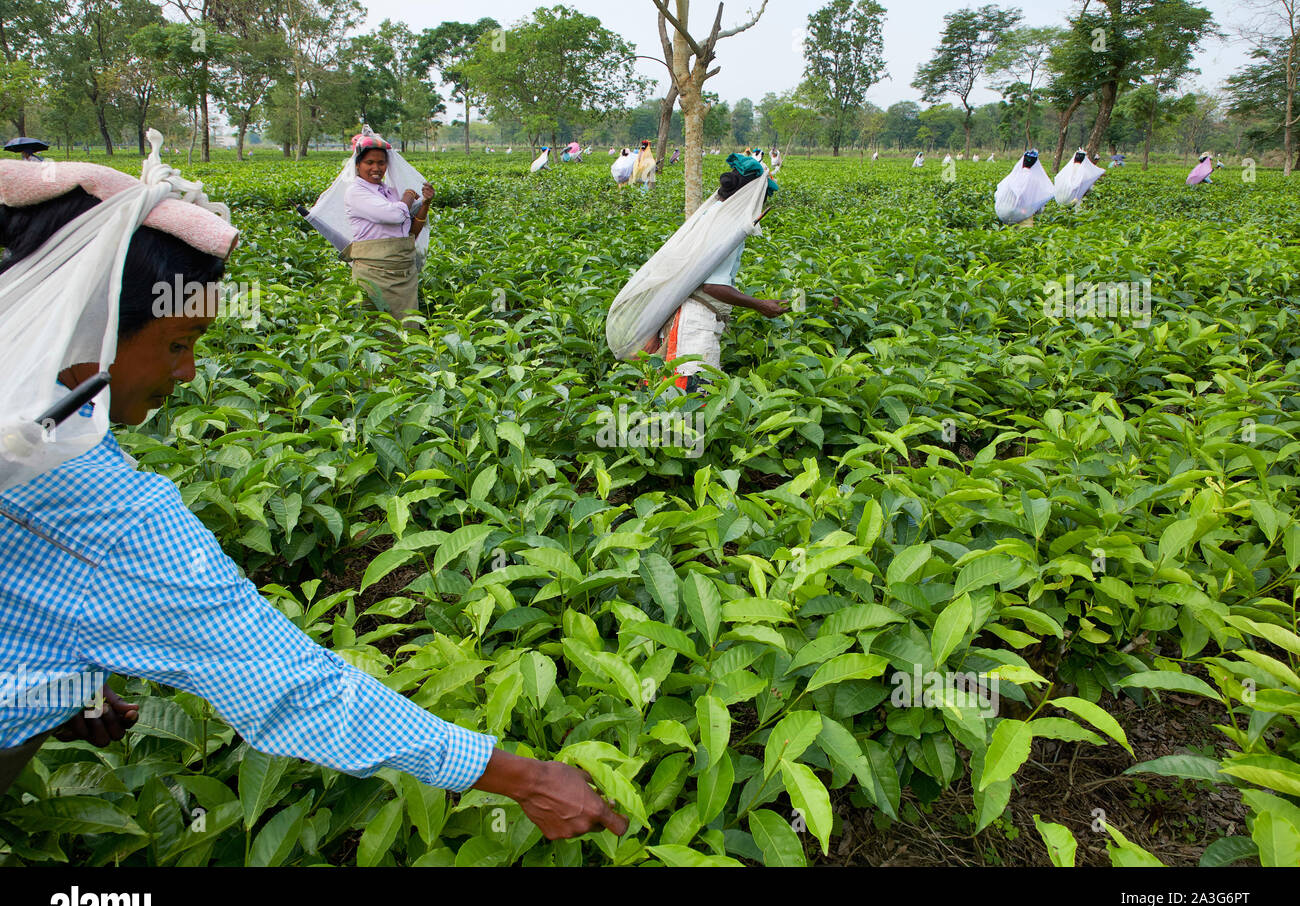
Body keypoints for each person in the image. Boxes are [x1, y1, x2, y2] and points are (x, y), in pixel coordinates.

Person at [0, 153, 628, 841]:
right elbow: (291, 683)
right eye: (179, 342)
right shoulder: (108, 512)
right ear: (87, 327)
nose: (188, 372)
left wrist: (58, 677)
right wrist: (529, 780)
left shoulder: (36, 417)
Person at [643, 155, 789, 392]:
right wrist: (760, 304)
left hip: (684, 313)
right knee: (691, 395)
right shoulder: (730, 226)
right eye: (763, 196)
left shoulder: (712, 212)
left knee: (672, 391)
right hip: (695, 323)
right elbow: (713, 286)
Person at [342, 133, 432, 324]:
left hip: (404, 275)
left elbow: (409, 235)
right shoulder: (356, 192)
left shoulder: (390, 193)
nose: (376, 168)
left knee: (408, 330)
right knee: (381, 331)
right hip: (375, 274)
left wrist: (425, 204)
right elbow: (395, 215)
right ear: (357, 165)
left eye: (381, 163)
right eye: (369, 162)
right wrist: (408, 195)